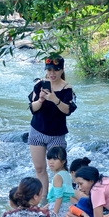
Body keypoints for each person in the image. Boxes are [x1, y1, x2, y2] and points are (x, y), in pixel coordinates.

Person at [28, 55, 77, 197]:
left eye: (56, 70)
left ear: (62, 70)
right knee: (39, 168)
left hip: (56, 135)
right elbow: (33, 108)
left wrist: (55, 100)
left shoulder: (67, 89)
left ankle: (62, 198)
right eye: (49, 70)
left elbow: (68, 110)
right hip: (37, 131)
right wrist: (41, 100)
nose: (52, 73)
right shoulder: (39, 85)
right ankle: (43, 199)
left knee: (59, 170)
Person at [46, 146, 74, 216]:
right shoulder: (67, 174)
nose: (51, 162)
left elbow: (59, 198)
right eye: (49, 159)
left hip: (59, 209)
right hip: (67, 207)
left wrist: (54, 215)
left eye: (55, 159)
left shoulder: (58, 176)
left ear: (63, 161)